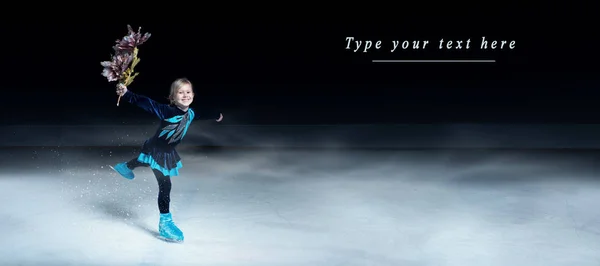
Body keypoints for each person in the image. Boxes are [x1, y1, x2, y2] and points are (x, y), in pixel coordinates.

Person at [110, 78, 223, 242]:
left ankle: (125, 167)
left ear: (193, 94)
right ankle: (165, 223)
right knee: (165, 186)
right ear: (173, 97)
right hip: (158, 150)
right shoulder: (167, 111)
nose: (185, 95)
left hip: (164, 150)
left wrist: (216, 115)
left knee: (145, 160)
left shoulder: (191, 113)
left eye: (188, 92)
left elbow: (203, 114)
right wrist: (127, 94)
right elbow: (146, 102)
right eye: (180, 92)